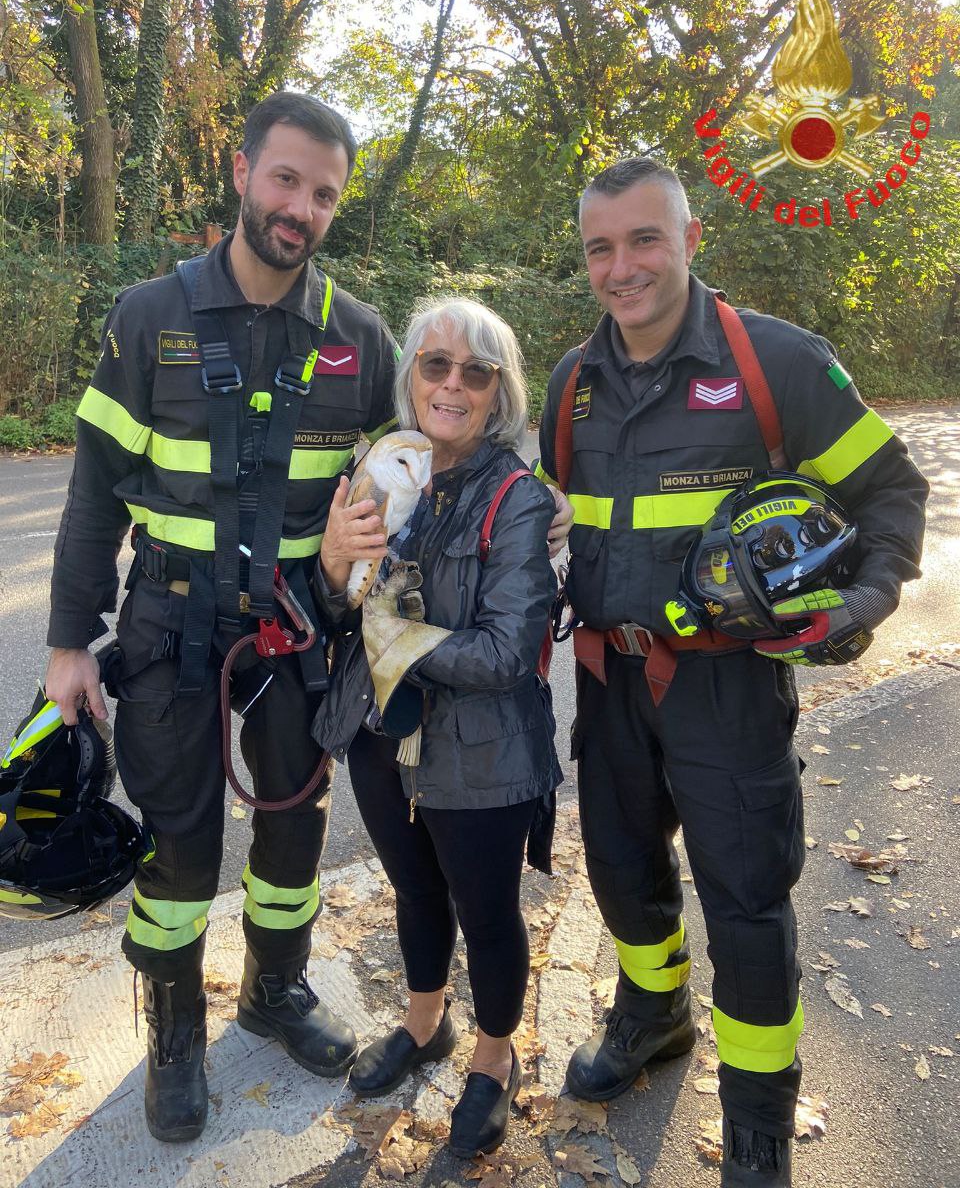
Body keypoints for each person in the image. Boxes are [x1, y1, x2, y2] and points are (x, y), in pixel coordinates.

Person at [535, 157, 928, 1187]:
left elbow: (892, 488)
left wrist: (866, 600)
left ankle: (758, 1123)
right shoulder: (571, 386)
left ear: (691, 235)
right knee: (622, 873)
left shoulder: (776, 363)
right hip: (609, 682)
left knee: (747, 905)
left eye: (644, 239)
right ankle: (654, 1014)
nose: (623, 267)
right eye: (601, 248)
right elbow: (548, 524)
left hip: (729, 692)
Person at [43, 92, 401, 1143]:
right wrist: (70, 641)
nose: (301, 206)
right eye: (287, 178)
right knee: (185, 837)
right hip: (169, 617)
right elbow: (92, 492)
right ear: (244, 172)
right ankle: (175, 1026)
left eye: (324, 193)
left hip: (299, 622)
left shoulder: (360, 337)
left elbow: (391, 493)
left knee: (294, 814)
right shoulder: (148, 317)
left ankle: (274, 989)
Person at [312, 298, 563, 1159]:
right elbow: (338, 610)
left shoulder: (519, 499)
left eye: (476, 371)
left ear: (501, 391)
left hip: (483, 746)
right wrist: (332, 565)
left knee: (487, 915)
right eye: (435, 364)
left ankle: (495, 1061)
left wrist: (396, 635)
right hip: (380, 734)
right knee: (415, 893)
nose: (452, 384)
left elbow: (503, 653)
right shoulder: (378, 465)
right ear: (411, 373)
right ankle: (427, 1025)